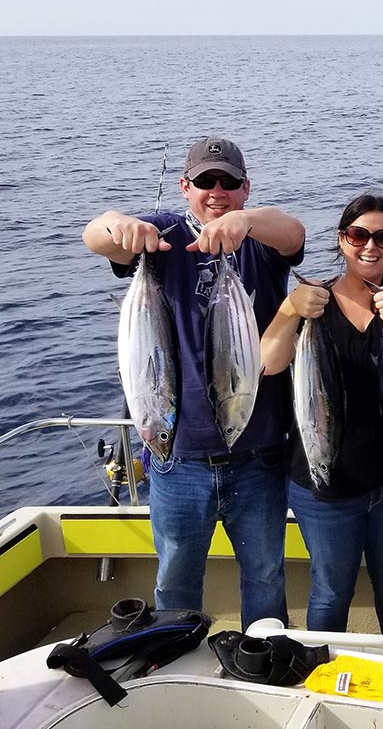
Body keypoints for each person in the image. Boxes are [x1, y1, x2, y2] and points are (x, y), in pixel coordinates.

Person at [83, 136, 305, 630]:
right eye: (206, 181)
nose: (217, 191)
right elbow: (94, 236)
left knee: (266, 576)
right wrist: (117, 225)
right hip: (177, 460)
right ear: (185, 186)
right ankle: (172, 659)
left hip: (259, 456)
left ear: (246, 188)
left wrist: (245, 223)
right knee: (176, 578)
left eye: (229, 182)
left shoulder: (261, 243)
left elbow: (293, 233)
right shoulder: (162, 236)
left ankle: (263, 653)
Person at [260, 193, 383, 642]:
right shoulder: (314, 304)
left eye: (382, 237)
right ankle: (322, 676)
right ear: (342, 240)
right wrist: (290, 309)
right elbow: (268, 363)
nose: (370, 246)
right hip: (324, 485)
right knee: (331, 590)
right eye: (358, 235)